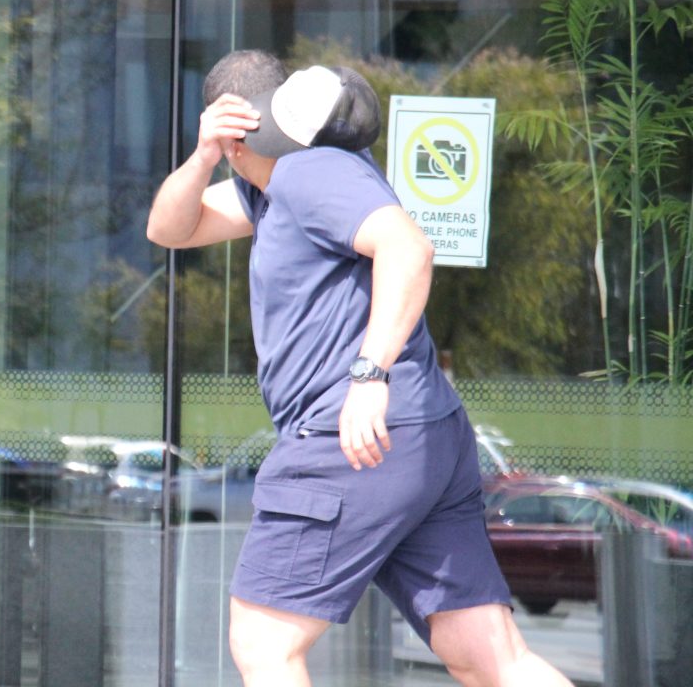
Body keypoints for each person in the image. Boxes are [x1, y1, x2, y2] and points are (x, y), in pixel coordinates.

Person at [146, 49, 573, 687]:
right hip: (422, 435)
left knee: (264, 642)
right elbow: (170, 229)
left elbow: (408, 247)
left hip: (353, 435)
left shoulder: (309, 174)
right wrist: (203, 157)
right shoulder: (274, 185)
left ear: (236, 131)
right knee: (486, 655)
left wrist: (368, 377)